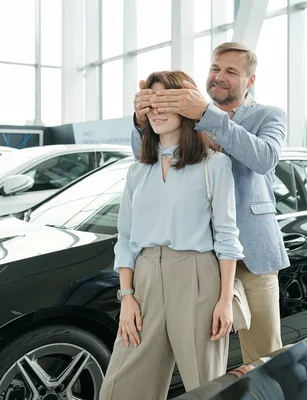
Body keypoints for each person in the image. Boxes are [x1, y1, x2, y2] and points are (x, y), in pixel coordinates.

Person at [131, 42, 289, 364]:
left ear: (251, 80)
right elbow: (145, 158)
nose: (219, 76)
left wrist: (206, 114)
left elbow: (265, 159)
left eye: (231, 71)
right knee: (203, 358)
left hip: (250, 257)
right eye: (215, 68)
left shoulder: (267, 116)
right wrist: (140, 120)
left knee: (263, 357)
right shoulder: (186, 116)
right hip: (196, 258)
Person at [99, 70, 244, 400]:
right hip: (146, 277)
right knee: (119, 388)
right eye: (150, 102)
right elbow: (126, 238)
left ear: (187, 106)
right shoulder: (137, 171)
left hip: (197, 279)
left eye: (166, 101)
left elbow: (226, 236)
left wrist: (224, 301)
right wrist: (127, 297)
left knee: (203, 385)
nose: (157, 110)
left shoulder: (214, 165)